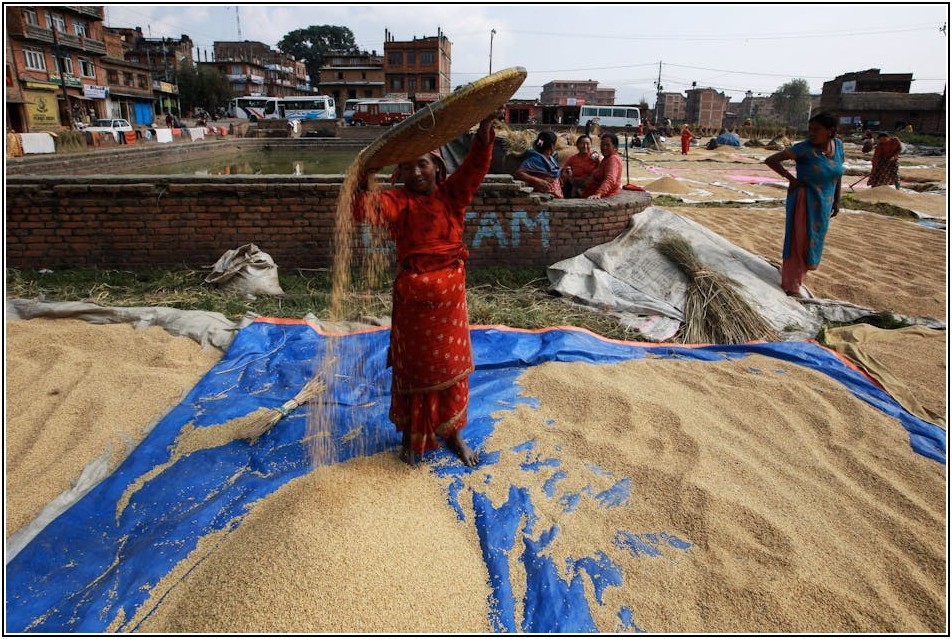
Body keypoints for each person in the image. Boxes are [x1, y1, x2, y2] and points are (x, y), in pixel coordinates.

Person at [352, 112, 499, 467]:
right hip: (415, 308)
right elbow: (363, 210)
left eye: (422, 164)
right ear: (399, 173)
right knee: (415, 370)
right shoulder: (397, 202)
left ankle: (454, 435)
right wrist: (364, 174)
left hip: (449, 306)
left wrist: (484, 134)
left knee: (451, 368)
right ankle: (411, 438)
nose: (416, 173)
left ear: (437, 166)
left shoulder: (452, 197)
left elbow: (475, 168)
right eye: (407, 167)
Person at [765, 111, 844, 297]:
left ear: (830, 131)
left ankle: (798, 277)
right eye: (810, 129)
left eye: (816, 130)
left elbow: (838, 174)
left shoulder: (838, 146)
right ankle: (791, 285)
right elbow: (771, 160)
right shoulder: (804, 149)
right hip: (804, 200)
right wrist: (791, 179)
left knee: (813, 239)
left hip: (824, 202)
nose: (811, 133)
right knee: (799, 241)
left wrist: (837, 200)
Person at [514, 130, 564, 197]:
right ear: (552, 146)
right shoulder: (535, 160)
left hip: (555, 197)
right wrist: (538, 181)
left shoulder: (552, 159)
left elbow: (554, 176)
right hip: (542, 197)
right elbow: (519, 173)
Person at [582, 133, 623, 199]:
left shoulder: (613, 159)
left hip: (606, 195)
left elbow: (610, 179)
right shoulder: (606, 159)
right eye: (602, 145)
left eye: (607, 145)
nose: (604, 148)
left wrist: (599, 193)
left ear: (615, 147)